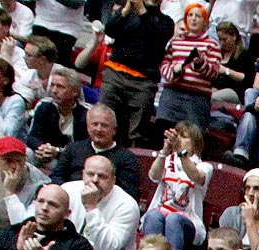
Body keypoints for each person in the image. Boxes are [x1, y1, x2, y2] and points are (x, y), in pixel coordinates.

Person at [100, 0, 173, 148]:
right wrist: (126, 10)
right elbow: (110, 30)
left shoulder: (166, 22)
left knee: (137, 132)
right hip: (115, 74)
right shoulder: (125, 14)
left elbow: (156, 36)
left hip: (143, 82)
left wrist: (141, 9)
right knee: (104, 120)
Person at [63, 155, 139, 250]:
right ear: (83, 174)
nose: (95, 180)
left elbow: (109, 247)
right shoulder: (67, 190)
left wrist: (91, 208)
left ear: (113, 180)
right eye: (90, 174)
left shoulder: (127, 204)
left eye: (102, 176)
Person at [141, 122, 212, 250]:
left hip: (189, 220)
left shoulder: (204, 166)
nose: (179, 139)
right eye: (177, 136)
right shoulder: (167, 160)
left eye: (184, 136)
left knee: (173, 219)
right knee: (153, 216)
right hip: (161, 212)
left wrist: (181, 152)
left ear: (196, 143)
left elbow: (196, 176)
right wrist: (164, 151)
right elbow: (154, 176)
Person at [48, 104, 140, 201]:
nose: (98, 129)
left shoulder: (126, 158)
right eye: (95, 124)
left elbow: (128, 193)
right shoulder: (73, 148)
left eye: (104, 125)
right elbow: (56, 177)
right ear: (88, 127)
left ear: (114, 130)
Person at [156, 4, 220, 130]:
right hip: (172, 94)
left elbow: (215, 73)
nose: (194, 19)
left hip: (197, 99)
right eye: (190, 15)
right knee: (164, 132)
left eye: (198, 16)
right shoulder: (175, 42)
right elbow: (164, 64)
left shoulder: (212, 44)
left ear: (205, 21)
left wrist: (201, 64)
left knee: (192, 137)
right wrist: (173, 72)